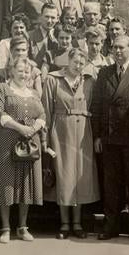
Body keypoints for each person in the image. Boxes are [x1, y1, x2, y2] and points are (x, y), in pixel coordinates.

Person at [90, 36, 129, 241]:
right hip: (110, 138)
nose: (118, 51)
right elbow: (97, 107)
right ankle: (111, 226)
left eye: (122, 47)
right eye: (115, 47)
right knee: (111, 184)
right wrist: (98, 135)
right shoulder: (104, 72)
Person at [42, 47, 99, 239]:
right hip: (60, 131)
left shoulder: (89, 81)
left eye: (82, 63)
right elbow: (46, 110)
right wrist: (46, 137)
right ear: (68, 60)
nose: (78, 66)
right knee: (64, 174)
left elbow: (94, 106)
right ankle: (65, 223)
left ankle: (77, 223)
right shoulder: (53, 79)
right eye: (75, 62)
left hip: (83, 131)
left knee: (81, 176)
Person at [0, 56, 46, 243]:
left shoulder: (34, 93)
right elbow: (0, 114)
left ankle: (23, 227)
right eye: (20, 70)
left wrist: (34, 128)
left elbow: (42, 114)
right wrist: (20, 128)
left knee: (26, 184)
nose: (23, 74)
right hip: (8, 141)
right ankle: (5, 228)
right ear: (12, 71)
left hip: (30, 142)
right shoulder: (3, 89)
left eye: (27, 71)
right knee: (6, 182)